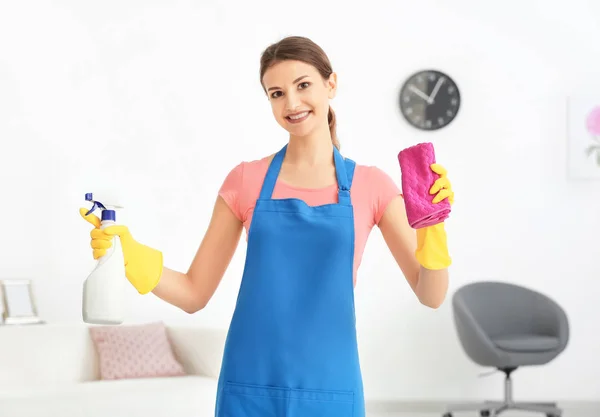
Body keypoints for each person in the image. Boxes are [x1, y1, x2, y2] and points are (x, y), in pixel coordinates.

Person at [80, 35, 454, 417]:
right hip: (249, 383)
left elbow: (431, 295)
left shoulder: (371, 185)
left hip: (331, 384)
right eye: (276, 93)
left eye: (303, 85)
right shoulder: (245, 180)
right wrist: (128, 255)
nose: (291, 103)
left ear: (331, 84)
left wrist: (433, 227)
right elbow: (193, 293)